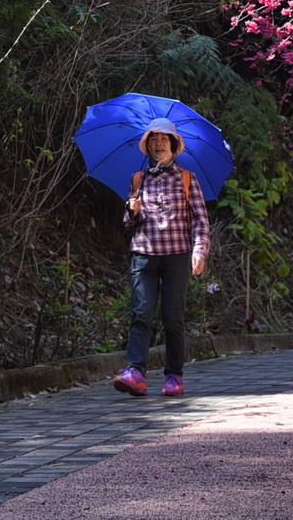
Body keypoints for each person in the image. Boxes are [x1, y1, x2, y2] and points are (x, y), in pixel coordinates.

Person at [113, 117, 209, 398]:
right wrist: (131, 210)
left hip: (177, 256)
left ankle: (173, 376)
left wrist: (199, 251)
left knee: (173, 318)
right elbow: (128, 224)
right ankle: (135, 373)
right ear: (148, 146)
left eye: (164, 140)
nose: (158, 144)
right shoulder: (139, 179)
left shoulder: (187, 179)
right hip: (144, 255)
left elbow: (201, 221)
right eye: (154, 140)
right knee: (141, 314)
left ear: (174, 144)